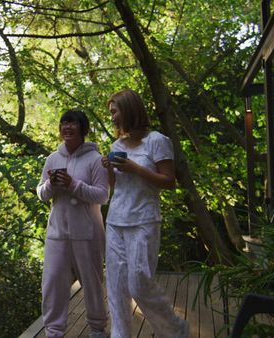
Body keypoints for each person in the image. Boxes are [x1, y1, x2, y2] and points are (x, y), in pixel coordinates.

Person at [101, 89, 189, 338]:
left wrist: (134, 167)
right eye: (111, 113)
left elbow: (169, 181)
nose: (112, 118)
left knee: (139, 283)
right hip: (116, 220)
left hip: (144, 220)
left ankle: (175, 330)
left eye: (114, 112)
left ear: (129, 109)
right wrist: (109, 168)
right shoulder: (116, 145)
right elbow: (116, 187)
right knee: (116, 287)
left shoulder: (157, 141)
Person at [36, 109, 109, 338]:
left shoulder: (96, 160)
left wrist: (73, 184)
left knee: (92, 283)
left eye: (73, 123)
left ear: (83, 129)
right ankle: (53, 331)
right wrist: (50, 186)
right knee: (52, 284)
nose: (67, 127)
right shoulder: (52, 158)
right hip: (57, 233)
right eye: (63, 123)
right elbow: (41, 193)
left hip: (87, 233)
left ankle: (97, 329)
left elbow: (103, 195)